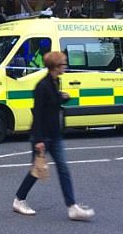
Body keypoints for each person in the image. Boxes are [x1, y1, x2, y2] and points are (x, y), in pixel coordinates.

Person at [13, 51, 95, 221]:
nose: (65, 66)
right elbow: (38, 113)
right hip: (43, 137)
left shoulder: (55, 81)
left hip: (55, 135)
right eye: (63, 63)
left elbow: (53, 102)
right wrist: (39, 140)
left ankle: (72, 206)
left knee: (63, 168)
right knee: (37, 171)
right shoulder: (42, 86)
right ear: (56, 66)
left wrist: (62, 97)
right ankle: (19, 199)